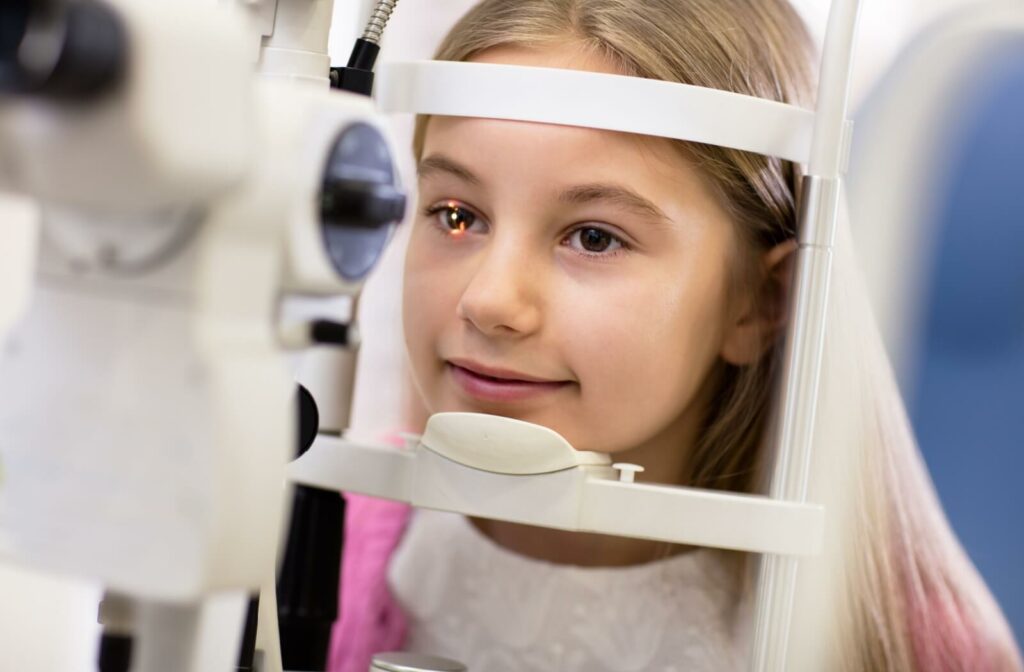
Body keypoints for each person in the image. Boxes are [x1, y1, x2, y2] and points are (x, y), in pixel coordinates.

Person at [329, 1, 1024, 670]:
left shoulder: (912, 647)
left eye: (593, 237)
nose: (489, 301)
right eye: (457, 216)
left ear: (760, 301)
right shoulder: (318, 546)